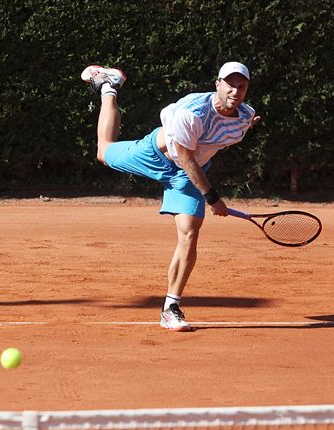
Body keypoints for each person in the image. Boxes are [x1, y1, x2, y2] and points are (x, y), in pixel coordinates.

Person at [81, 62, 261, 332]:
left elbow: (210, 148)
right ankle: (109, 87)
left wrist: (244, 127)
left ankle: (170, 308)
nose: (235, 90)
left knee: (189, 233)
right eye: (230, 84)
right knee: (103, 152)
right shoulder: (193, 112)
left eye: (241, 85)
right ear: (217, 85)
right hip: (155, 155)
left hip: (186, 176)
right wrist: (212, 198)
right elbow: (187, 157)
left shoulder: (245, 117)